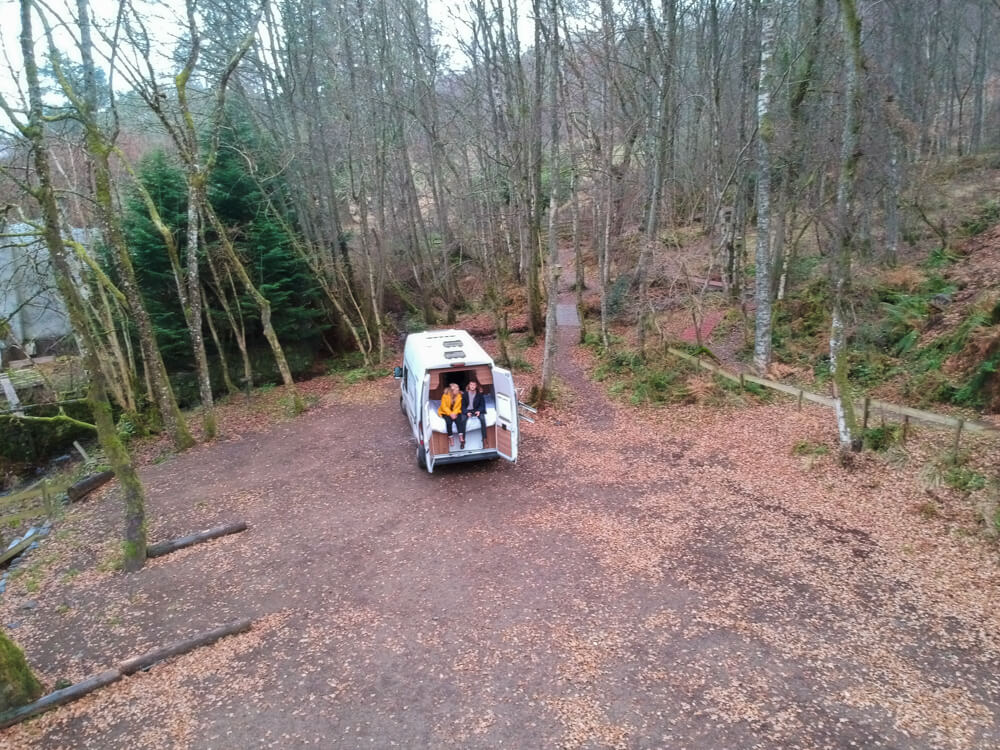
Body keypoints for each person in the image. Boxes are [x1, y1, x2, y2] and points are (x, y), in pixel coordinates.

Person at [438, 381, 465, 448]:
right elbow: (444, 407)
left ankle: (461, 437)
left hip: (455, 412)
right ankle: (451, 438)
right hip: (446, 412)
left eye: (458, 390)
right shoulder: (445, 396)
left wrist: (454, 413)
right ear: (452, 390)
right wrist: (450, 414)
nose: (458, 391)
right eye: (456, 390)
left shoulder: (459, 395)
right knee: (449, 422)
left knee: (459, 421)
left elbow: (458, 406)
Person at [463, 379, 487, 443]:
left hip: (476, 410)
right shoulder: (465, 394)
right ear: (469, 386)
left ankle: (484, 438)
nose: (472, 386)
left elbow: (482, 404)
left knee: (482, 419)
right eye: (471, 385)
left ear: (476, 386)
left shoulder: (479, 394)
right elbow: (462, 406)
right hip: (468, 410)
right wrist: (466, 412)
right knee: (463, 420)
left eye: (474, 385)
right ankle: (463, 440)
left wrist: (479, 411)